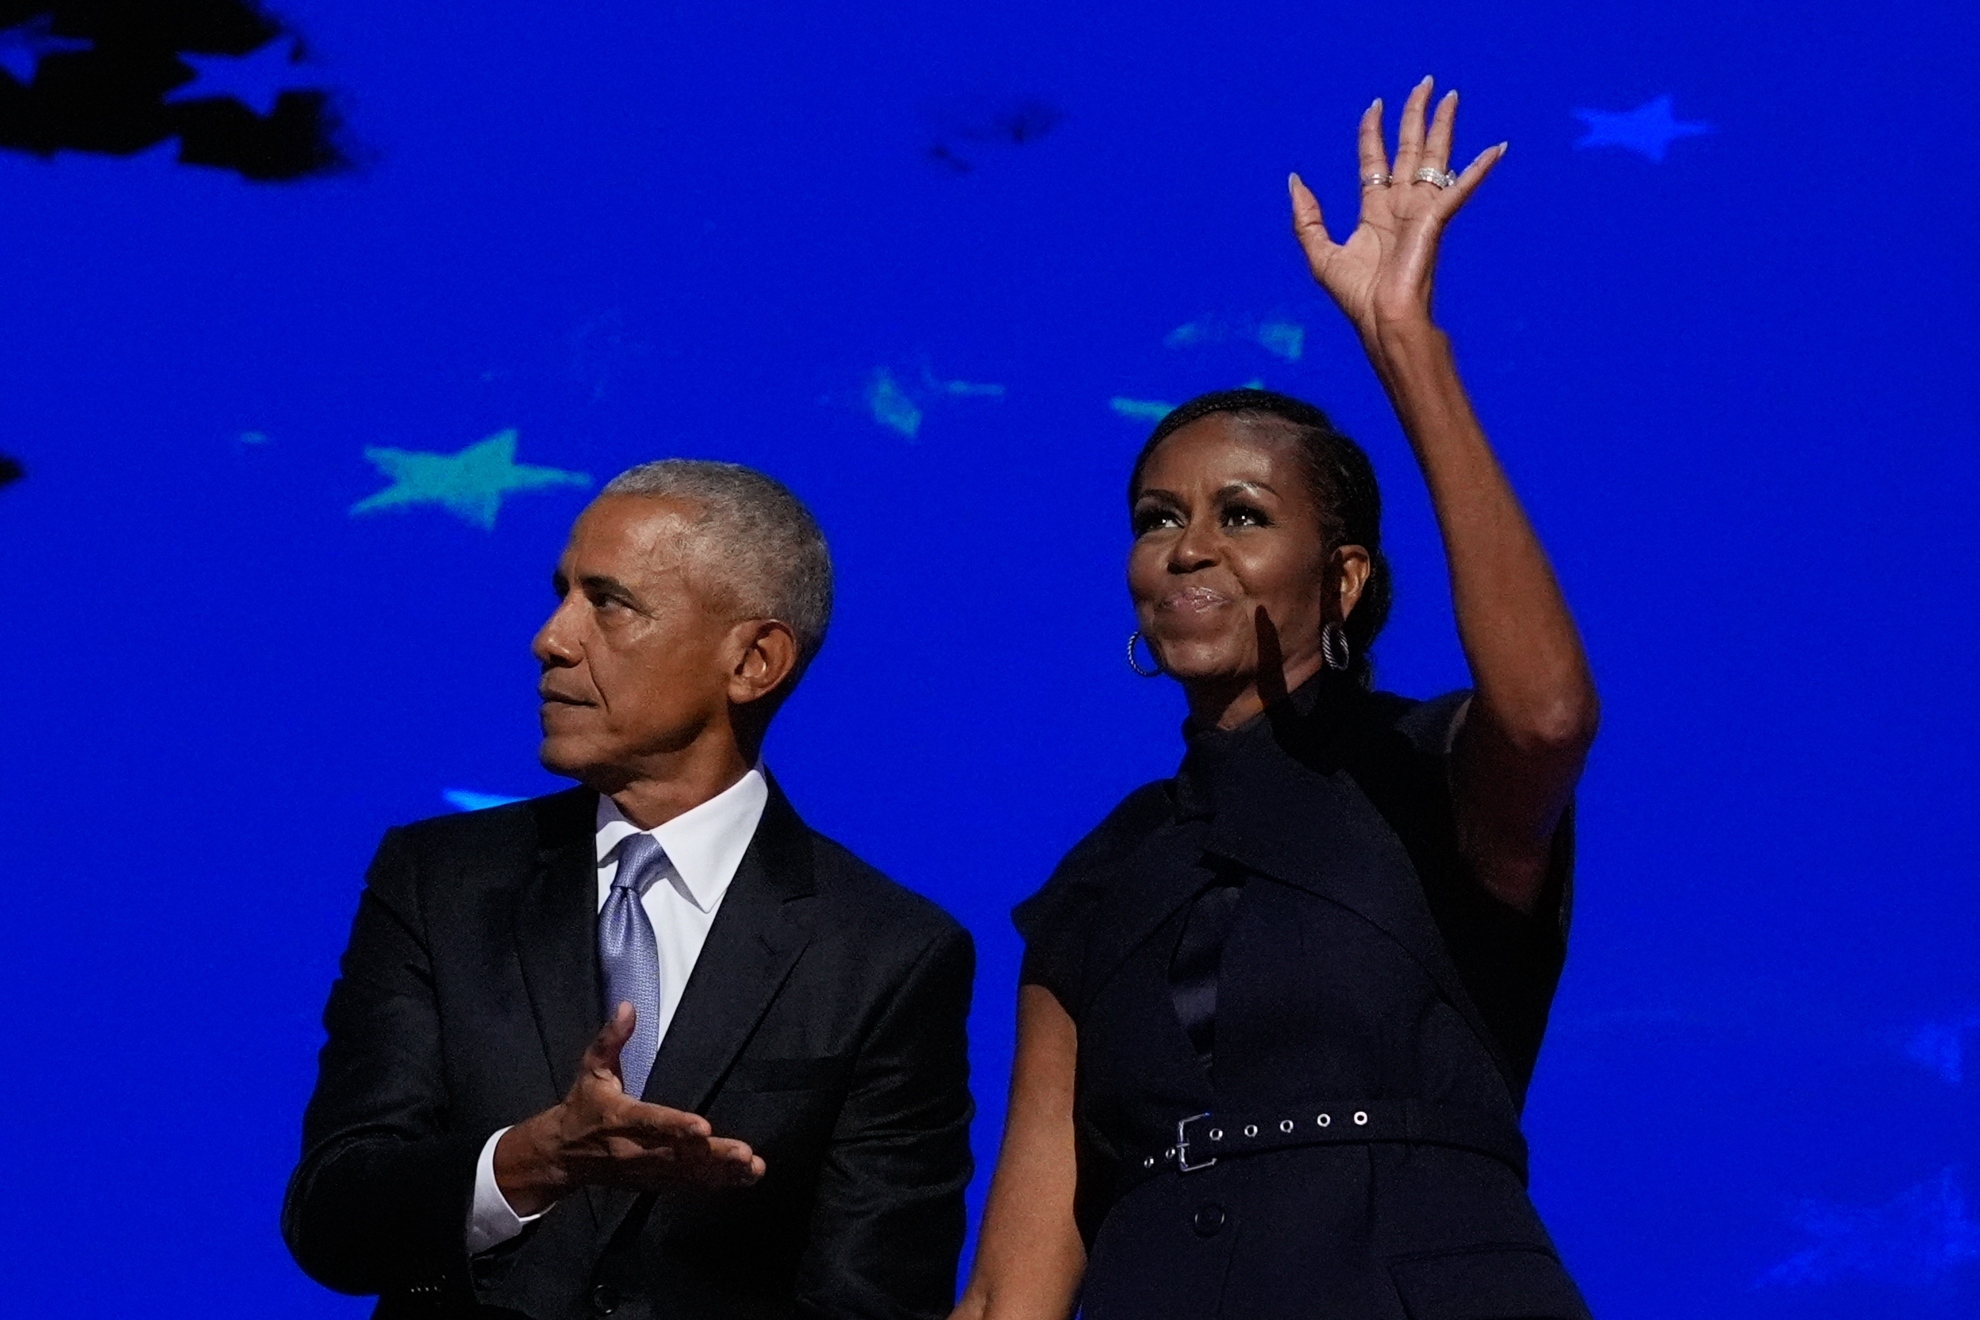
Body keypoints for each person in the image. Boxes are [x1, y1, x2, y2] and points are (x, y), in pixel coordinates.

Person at [955, 79, 1600, 1320]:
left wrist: (1407, 345)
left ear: (1344, 577)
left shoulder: (1431, 773)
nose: (1185, 549)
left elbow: (1550, 717)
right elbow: (1013, 1290)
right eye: (1158, 521)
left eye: (1241, 517)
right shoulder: (1101, 876)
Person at [284, 461, 975, 1320]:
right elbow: (334, 1216)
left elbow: (873, 1298)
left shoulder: (885, 954)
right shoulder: (440, 883)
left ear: (754, 660)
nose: (551, 637)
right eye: (561, 593)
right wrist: (534, 1159)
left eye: (608, 602)